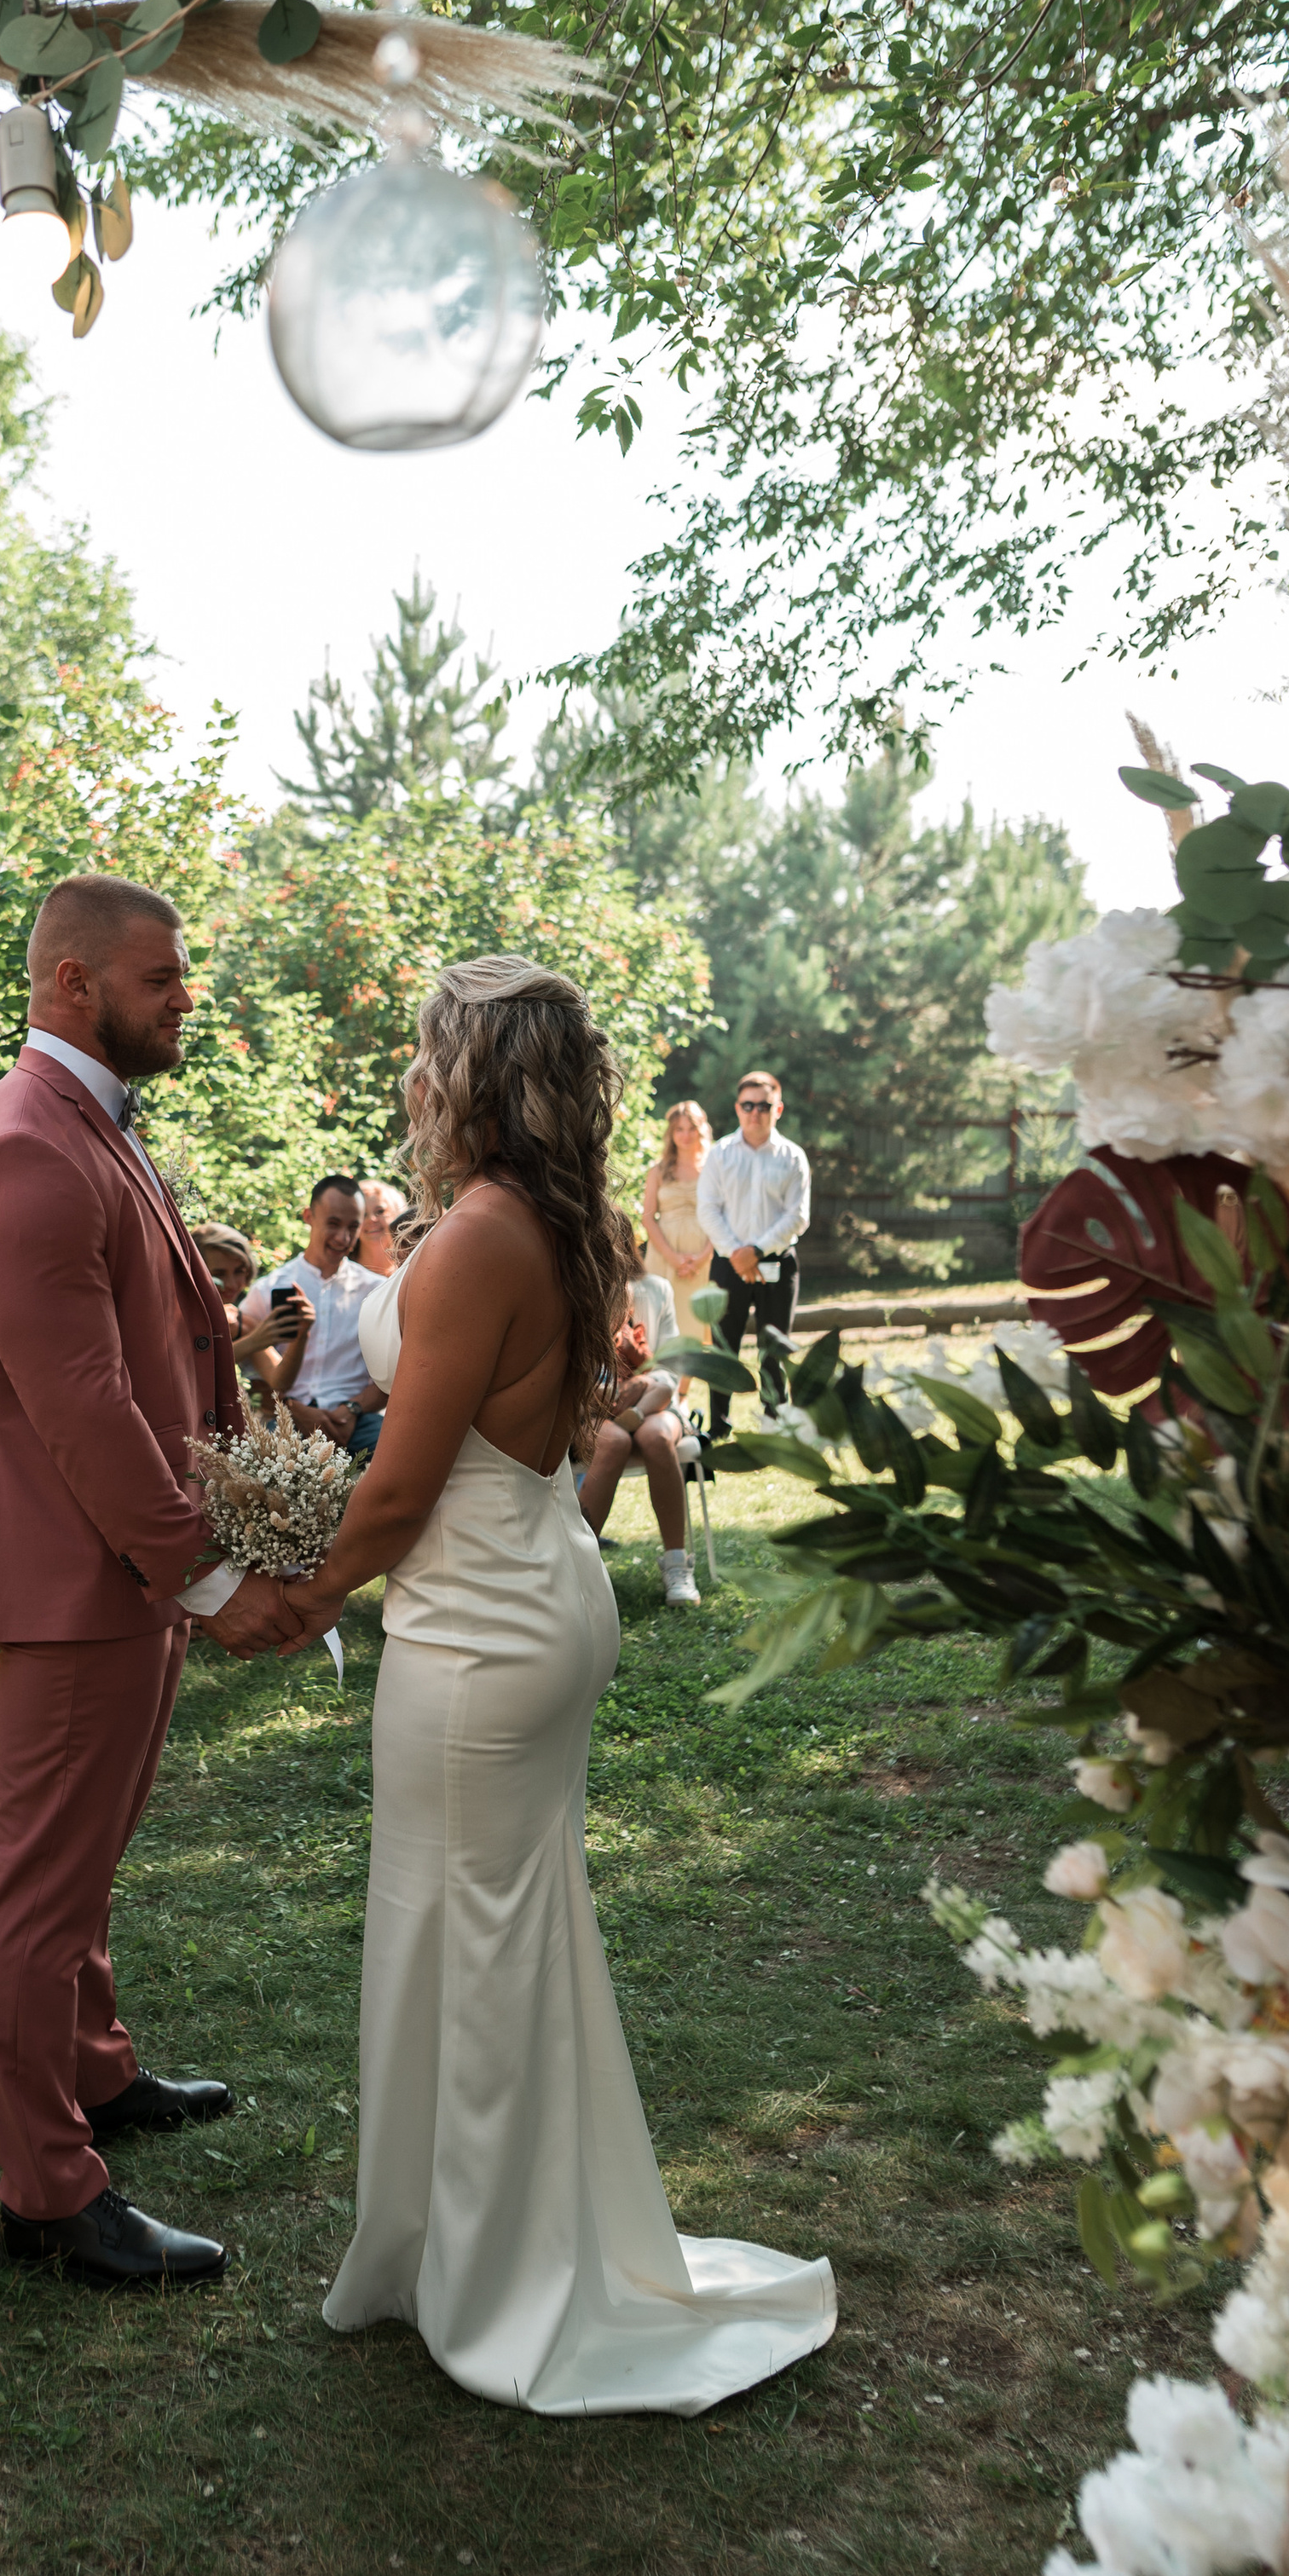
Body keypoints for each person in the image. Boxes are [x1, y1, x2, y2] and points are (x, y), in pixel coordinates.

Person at [280, 956, 835, 2413]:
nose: (410, 1079)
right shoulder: (555, 1222)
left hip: (475, 1630)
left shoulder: (474, 1237)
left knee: (467, 1940)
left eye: (426, 1053)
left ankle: (496, 2280)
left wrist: (292, 1594)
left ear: (466, 1073)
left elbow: (398, 1491)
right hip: (524, 1591)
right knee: (490, 1932)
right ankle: (458, 2244)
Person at [0, 873, 310, 2295]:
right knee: (39, 1890)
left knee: (87, 1858)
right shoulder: (29, 1148)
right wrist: (210, 1576)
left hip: (115, 1564)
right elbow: (83, 1409)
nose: (186, 993)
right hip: (78, 1567)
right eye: (162, 975)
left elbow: (130, 1334)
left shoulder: (84, 1118)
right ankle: (49, 2193)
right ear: (74, 982)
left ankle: (93, 2075)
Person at [575, 1245, 699, 1608]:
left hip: (646, 1403)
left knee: (656, 1436)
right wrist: (598, 1394)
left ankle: (677, 1564)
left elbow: (666, 1368)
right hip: (594, 1409)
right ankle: (579, 1565)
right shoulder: (572, 1295)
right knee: (612, 1441)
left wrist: (640, 1386)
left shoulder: (652, 1293)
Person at [696, 1072, 811, 1439]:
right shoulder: (720, 1154)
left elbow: (798, 1216)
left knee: (774, 1345)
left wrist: (756, 1251)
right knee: (723, 1347)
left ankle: (775, 1421)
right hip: (729, 1266)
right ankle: (718, 1426)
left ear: (778, 1109)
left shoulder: (793, 1157)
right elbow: (708, 1210)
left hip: (778, 1263)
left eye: (764, 1106)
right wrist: (737, 1254)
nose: (755, 1113)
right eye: (748, 1105)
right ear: (738, 1108)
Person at [257, 1176, 386, 1459]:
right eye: (333, 1224)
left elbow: (392, 1376)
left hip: (358, 1420)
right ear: (308, 1217)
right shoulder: (266, 1289)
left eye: (353, 1227)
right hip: (289, 1419)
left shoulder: (377, 1292)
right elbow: (253, 1375)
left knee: (398, 1454)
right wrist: (294, 1409)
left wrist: (351, 1411)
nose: (343, 1238)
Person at [188, 1222, 310, 1397]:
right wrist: (252, 1342)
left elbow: (280, 1381)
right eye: (219, 1274)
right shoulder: (176, 1317)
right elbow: (189, 1373)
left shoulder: (242, 1324)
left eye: (239, 1271)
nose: (231, 1284)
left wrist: (302, 1335)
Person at [642, 1100, 714, 1333]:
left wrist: (703, 1257)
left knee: (693, 1325)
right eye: (679, 1129)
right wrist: (673, 1257)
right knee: (660, 1328)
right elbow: (648, 1218)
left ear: (701, 1129)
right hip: (664, 1256)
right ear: (671, 1133)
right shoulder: (658, 1170)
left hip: (701, 1259)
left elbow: (721, 1217)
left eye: (691, 1128)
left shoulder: (713, 1170)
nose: (686, 1135)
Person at [354, 1178, 409, 1278]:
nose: (371, 1219)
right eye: (363, 1214)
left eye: (380, 1211)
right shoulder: (342, 1270)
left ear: (396, 1214)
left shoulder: (410, 1267)